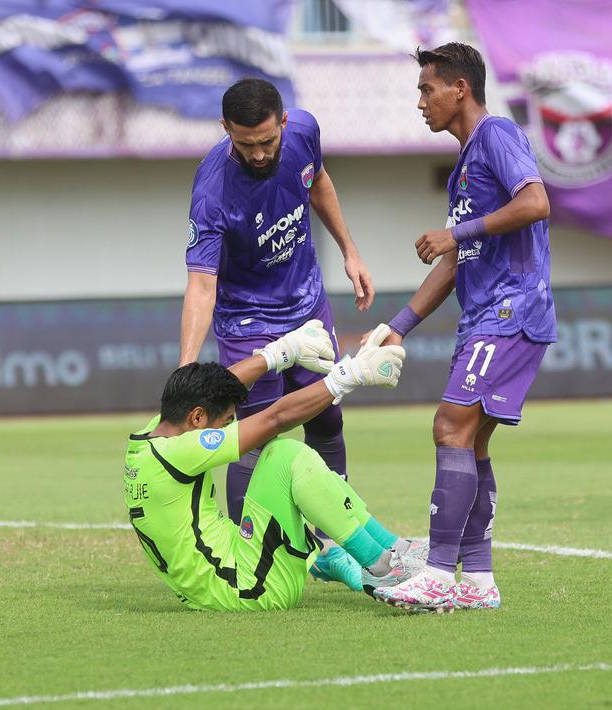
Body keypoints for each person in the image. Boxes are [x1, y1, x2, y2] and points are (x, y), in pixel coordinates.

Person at [370, 43, 557, 612]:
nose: (420, 101)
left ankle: (434, 574)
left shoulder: (496, 135)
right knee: (470, 442)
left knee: (449, 426)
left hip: (510, 311)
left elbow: (537, 202)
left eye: (427, 89)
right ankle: (476, 579)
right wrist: (400, 325)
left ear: (460, 89)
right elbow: (456, 262)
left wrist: (458, 231)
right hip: (489, 315)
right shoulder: (464, 168)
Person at [181, 77, 376, 530]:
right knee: (255, 435)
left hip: (308, 304)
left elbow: (319, 181)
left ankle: (333, 541)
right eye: (246, 144)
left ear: (284, 122)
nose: (260, 154)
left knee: (327, 419)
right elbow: (201, 285)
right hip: (248, 319)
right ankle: (244, 550)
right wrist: (187, 365)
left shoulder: (305, 132)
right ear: (225, 127)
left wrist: (350, 250)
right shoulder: (212, 193)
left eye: (268, 140)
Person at [125, 320, 427, 611]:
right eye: (225, 423)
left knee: (277, 457)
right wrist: (350, 374)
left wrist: (281, 351)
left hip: (223, 582)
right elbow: (275, 418)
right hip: (248, 589)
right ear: (197, 418)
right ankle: (383, 567)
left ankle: (392, 549)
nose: (228, 428)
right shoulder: (181, 451)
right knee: (286, 455)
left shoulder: (150, 439)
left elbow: (215, 389)